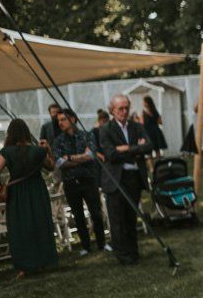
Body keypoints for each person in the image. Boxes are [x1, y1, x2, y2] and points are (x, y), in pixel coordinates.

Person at [0, 119, 60, 278]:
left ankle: (24, 267)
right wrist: (48, 150)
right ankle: (43, 262)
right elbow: (50, 167)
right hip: (37, 191)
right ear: (26, 132)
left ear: (10, 133)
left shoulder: (7, 151)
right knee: (40, 224)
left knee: (20, 228)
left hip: (17, 193)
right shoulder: (37, 151)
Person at [100, 94, 152, 265]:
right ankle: (122, 255)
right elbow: (111, 154)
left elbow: (148, 146)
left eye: (126, 108)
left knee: (131, 216)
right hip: (116, 179)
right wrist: (136, 149)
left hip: (133, 177)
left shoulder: (136, 126)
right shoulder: (106, 129)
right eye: (120, 108)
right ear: (112, 110)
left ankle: (133, 251)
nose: (124, 111)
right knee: (117, 218)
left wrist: (127, 148)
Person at [54, 109, 106, 256]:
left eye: (63, 119)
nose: (61, 123)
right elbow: (59, 163)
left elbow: (91, 156)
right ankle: (86, 246)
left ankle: (102, 243)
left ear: (73, 119)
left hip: (88, 179)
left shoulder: (86, 135)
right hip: (70, 182)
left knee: (96, 212)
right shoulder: (58, 141)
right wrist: (81, 157)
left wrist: (69, 158)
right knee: (78, 215)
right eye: (59, 121)